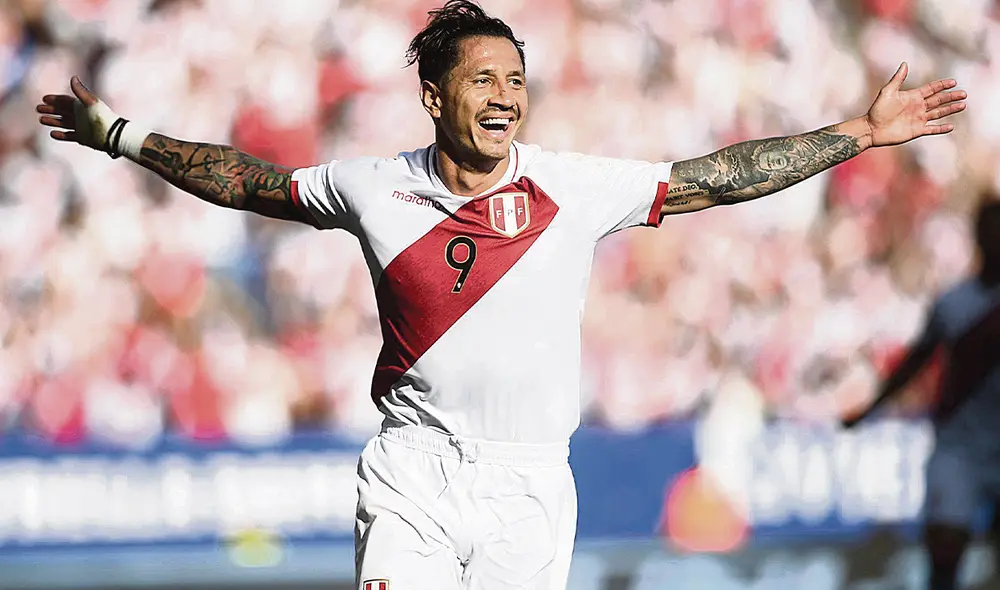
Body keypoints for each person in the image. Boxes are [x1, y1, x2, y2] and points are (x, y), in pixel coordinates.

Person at [36, 1, 966, 588]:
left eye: (515, 80)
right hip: (414, 475)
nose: (504, 96)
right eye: (482, 78)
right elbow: (245, 180)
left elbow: (718, 176)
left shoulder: (574, 185)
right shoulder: (371, 185)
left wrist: (856, 132)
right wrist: (118, 131)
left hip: (531, 483)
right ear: (434, 97)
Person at [845, 197, 1000, 590]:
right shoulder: (953, 303)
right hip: (959, 446)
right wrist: (870, 408)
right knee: (945, 550)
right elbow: (916, 361)